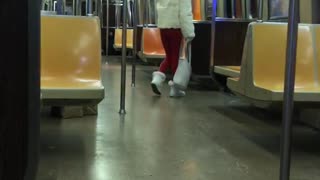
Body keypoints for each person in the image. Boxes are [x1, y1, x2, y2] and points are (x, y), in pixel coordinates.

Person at [151, 0, 195, 97]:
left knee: (170, 57)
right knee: (175, 58)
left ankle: (157, 80)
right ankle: (176, 89)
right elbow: (185, 13)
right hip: (175, 28)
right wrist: (189, 33)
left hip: (163, 28)